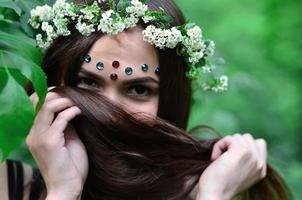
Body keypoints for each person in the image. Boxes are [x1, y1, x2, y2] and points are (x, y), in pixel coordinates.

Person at [0, 0, 290, 199]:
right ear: (50, 85)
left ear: (169, 101)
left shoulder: (213, 187)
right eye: (87, 82)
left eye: (138, 90)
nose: (111, 111)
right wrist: (64, 192)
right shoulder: (7, 186)